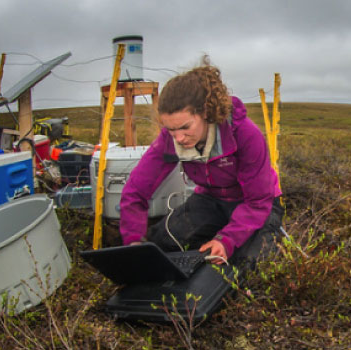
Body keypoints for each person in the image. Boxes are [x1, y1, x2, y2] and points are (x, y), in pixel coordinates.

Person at [118, 56, 282, 265]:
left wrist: (226, 240)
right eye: (170, 129)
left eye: (185, 127)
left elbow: (258, 202)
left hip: (257, 204)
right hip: (210, 201)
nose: (178, 138)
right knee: (161, 243)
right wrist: (133, 242)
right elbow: (135, 191)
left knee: (247, 263)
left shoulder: (244, 134)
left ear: (205, 112)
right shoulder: (171, 140)